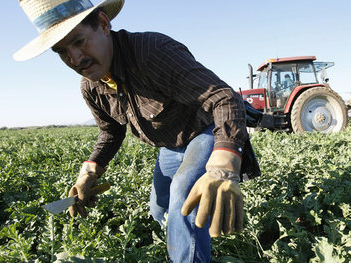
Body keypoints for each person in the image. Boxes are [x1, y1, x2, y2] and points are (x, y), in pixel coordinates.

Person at [14, 0, 259, 262]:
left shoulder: (152, 53)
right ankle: (191, 240)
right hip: (170, 144)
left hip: (205, 130)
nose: (75, 59)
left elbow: (224, 98)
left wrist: (224, 166)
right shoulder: (91, 86)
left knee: (183, 196)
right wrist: (89, 172)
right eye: (61, 51)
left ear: (103, 24)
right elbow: (110, 131)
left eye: (79, 41)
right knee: (160, 208)